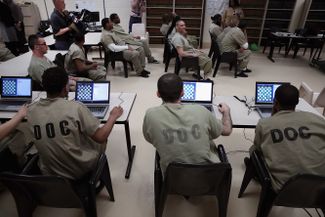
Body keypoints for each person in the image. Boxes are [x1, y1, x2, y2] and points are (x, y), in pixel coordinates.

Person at [26, 67, 123, 179]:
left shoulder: (31, 110)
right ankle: (94, 174)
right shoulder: (76, 108)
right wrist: (113, 116)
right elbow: (101, 137)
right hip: (78, 171)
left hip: (49, 172)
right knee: (100, 138)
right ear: (65, 88)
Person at [143, 73, 232, 173]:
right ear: (182, 93)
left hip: (173, 181)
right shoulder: (201, 110)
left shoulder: (150, 115)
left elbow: (150, 138)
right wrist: (226, 112)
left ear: (158, 94)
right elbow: (227, 130)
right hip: (210, 181)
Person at [249, 84, 325, 192]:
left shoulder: (265, 124)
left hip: (285, 189)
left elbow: (258, 149)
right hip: (320, 187)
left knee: (253, 151)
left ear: (275, 102)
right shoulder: (318, 119)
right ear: (297, 102)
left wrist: (273, 116)